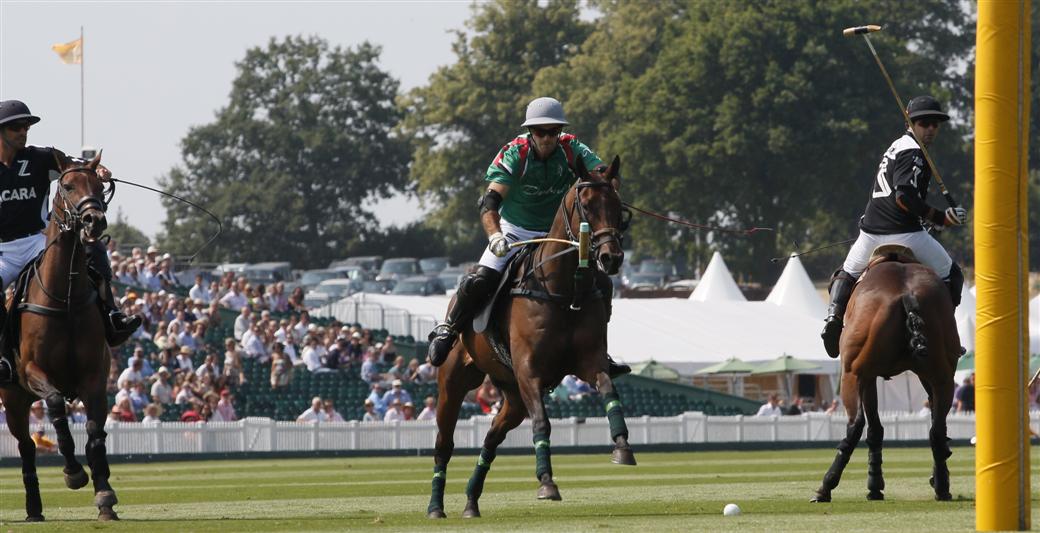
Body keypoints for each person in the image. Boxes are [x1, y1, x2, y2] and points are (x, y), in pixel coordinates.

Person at [424, 97, 629, 378]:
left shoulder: (572, 148)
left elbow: (604, 175)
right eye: (541, 132)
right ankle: (448, 328)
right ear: (530, 132)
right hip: (515, 230)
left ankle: (598, 350)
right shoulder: (515, 153)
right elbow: (490, 202)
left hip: (557, 233)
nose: (547, 138)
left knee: (602, 283)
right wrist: (495, 235)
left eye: (553, 132)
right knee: (480, 278)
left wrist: (609, 184)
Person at [0, 100, 142, 384]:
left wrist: (98, 172)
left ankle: (112, 316)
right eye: (17, 126)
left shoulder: (41, 158)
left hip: (35, 242)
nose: (23, 131)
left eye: (26, 126)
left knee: (88, 254)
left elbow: (78, 166)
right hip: (2, 250)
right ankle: (4, 357)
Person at [820, 96, 966, 358]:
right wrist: (941, 218)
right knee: (953, 275)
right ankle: (946, 331)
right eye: (925, 123)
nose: (931, 128)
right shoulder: (914, 152)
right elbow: (904, 196)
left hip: (870, 233)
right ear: (911, 122)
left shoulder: (896, 146)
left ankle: (833, 317)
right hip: (907, 235)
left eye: (935, 124)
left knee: (847, 272)